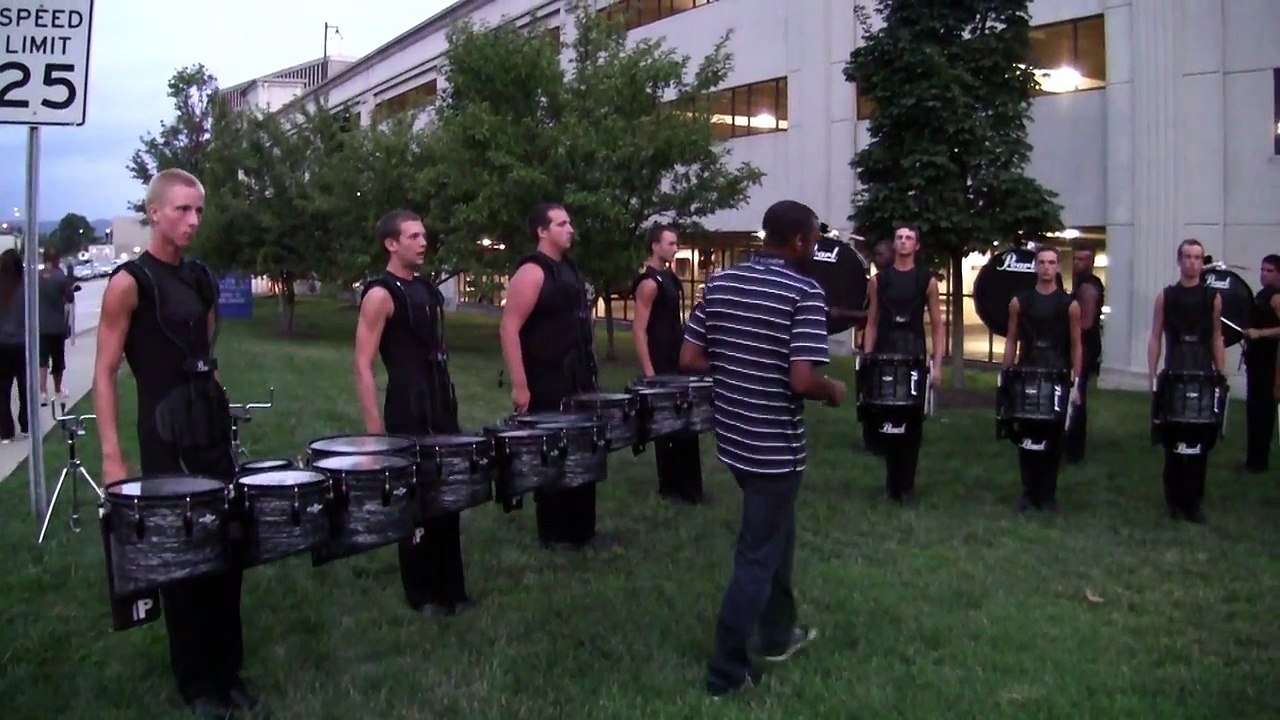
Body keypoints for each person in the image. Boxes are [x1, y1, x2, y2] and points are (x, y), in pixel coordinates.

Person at [93, 169, 262, 718]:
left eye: (199, 212)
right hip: (163, 436)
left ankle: (228, 670)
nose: (193, 221)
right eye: (183, 210)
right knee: (183, 556)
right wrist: (113, 458)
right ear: (156, 212)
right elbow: (105, 371)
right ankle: (197, 685)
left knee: (226, 550)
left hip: (208, 428)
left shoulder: (202, 279)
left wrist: (224, 420)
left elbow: (206, 358)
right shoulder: (130, 282)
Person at [681, 199, 845, 698]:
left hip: (733, 439)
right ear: (797, 240)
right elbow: (801, 378)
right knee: (757, 553)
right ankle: (726, 672)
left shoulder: (723, 283)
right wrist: (831, 390)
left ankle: (777, 633)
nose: (816, 246)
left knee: (779, 534)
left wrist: (735, 371)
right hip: (775, 446)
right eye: (814, 237)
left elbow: (689, 357)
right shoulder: (804, 291)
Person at [354, 209, 475, 616]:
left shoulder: (425, 289)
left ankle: (453, 589)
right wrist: (375, 434)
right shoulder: (380, 294)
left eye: (424, 235)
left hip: (442, 401)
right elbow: (363, 363)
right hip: (407, 406)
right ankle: (422, 593)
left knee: (449, 493)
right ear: (391, 243)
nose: (423, 242)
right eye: (413, 236)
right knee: (418, 499)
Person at [499, 202, 609, 550]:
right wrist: (520, 384)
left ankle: (583, 530)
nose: (570, 229)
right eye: (561, 224)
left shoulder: (571, 269)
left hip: (579, 377)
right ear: (542, 231)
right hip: (546, 378)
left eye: (570, 223)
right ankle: (555, 533)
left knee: (584, 451)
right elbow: (509, 327)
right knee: (553, 454)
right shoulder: (532, 271)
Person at [861, 224, 944, 505]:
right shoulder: (878, 281)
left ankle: (906, 487)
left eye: (909, 238)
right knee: (887, 420)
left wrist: (938, 364)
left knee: (911, 423)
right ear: (894, 244)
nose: (904, 242)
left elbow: (937, 325)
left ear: (917, 246)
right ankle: (890, 485)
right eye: (899, 237)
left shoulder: (926, 280)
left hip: (914, 356)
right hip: (884, 355)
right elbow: (871, 322)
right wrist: (867, 357)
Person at [1147, 238, 1226, 523]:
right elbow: (1155, 336)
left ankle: (1194, 503)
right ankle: (1173, 501)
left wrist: (1221, 373)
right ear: (1179, 260)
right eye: (1187, 257)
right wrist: (1152, 375)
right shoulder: (1166, 296)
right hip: (1175, 374)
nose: (1192, 262)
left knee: (1199, 440)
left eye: (1197, 257)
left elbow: (1217, 336)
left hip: (1203, 374)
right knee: (1173, 439)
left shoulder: (1212, 298)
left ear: (1202, 262)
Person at [1000, 247, 1083, 512]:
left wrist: (1076, 381)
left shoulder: (1069, 305)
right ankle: (1028, 492)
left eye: (1051, 263)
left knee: (1053, 435)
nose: (1047, 267)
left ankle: (1048, 495)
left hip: (1057, 373)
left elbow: (1076, 345)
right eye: (1042, 262)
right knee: (1027, 433)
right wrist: (1006, 374)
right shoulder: (1019, 302)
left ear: (1058, 267)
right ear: (1035, 267)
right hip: (1027, 371)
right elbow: (1012, 339)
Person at [631, 224, 707, 505]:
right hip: (661, 361)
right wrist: (650, 374)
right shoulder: (649, 283)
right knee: (667, 424)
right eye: (671, 243)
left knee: (687, 422)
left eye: (676, 243)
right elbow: (639, 330)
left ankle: (691, 488)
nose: (675, 248)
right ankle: (671, 487)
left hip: (678, 358)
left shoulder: (670, 278)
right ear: (655, 246)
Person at [1240, 254, 1280, 474]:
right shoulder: (1262, 295)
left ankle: (1258, 463)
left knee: (1262, 412)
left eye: (1270, 271)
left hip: (1269, 362)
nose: (1264, 274)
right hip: (1255, 360)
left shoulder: (1276, 297)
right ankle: (1253, 460)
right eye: (1262, 270)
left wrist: (1260, 333)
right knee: (1253, 412)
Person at [1064, 245, 1103, 464]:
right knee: (1076, 395)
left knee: (1076, 395)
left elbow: (1085, 323)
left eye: (1083, 259)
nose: (1077, 263)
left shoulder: (1088, 287)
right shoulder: (1082, 284)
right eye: (1075, 259)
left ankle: (1074, 449)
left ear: (1091, 262)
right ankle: (1072, 447)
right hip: (1085, 346)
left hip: (1085, 347)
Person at [38, 246, 76, 408]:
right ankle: (58, 390)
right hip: (57, 325)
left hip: (41, 325)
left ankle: (42, 392)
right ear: (57, 259)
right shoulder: (61, 278)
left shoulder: (37, 277)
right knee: (58, 360)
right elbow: (69, 298)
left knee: (42, 360)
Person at [0, 249, 28, 443]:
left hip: (2, 344)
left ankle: (6, 431)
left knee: (3, 389)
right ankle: (26, 425)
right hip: (22, 343)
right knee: (24, 387)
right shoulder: (25, 288)